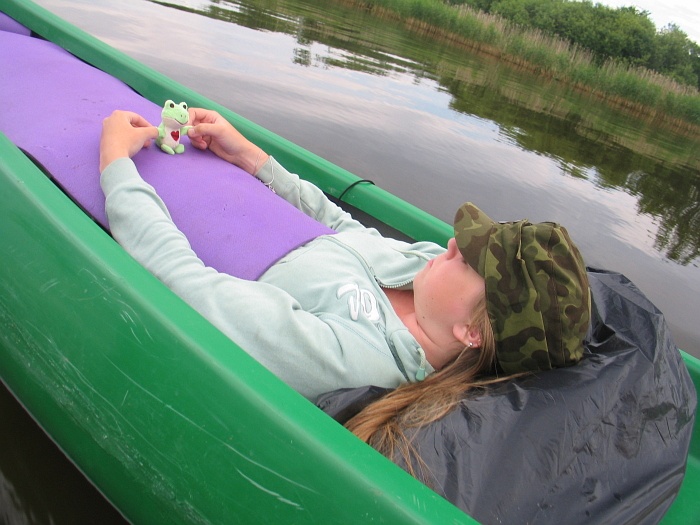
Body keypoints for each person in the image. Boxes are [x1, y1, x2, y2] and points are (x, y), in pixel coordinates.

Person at [99, 108, 591, 468]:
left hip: (197, 234)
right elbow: (342, 227)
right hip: (243, 209)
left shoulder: (356, 359)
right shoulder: (424, 270)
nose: (450, 244)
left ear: (473, 333)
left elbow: (189, 287)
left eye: (468, 259)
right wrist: (250, 156)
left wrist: (115, 163)